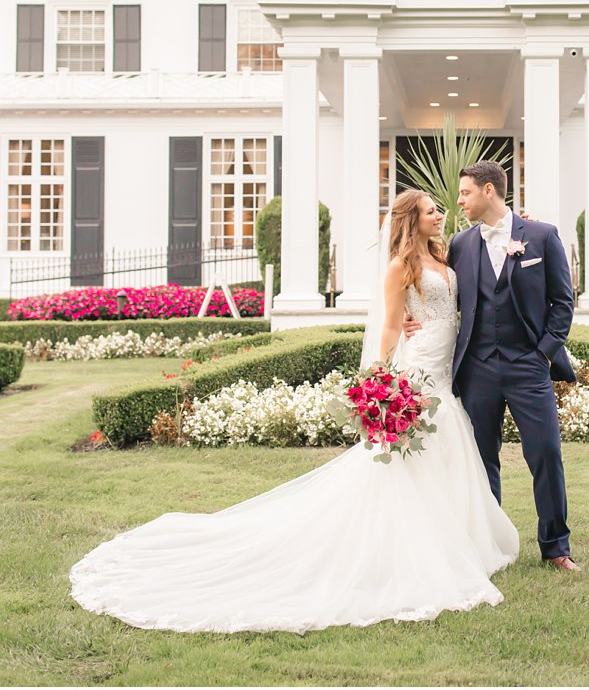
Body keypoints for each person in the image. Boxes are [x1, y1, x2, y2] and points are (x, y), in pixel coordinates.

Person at [68, 189, 518, 633]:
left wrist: (517, 223)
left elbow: (478, 267)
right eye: (429, 211)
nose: (439, 214)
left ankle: (456, 543)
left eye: (439, 209)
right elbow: (387, 325)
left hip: (445, 371)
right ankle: (415, 553)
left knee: (446, 455)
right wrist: (380, 383)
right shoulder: (401, 266)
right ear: (409, 220)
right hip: (418, 368)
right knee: (412, 463)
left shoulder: (443, 254)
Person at [439, 160, 580, 570]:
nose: (459, 199)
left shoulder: (541, 235)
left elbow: (562, 302)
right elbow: (443, 295)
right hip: (477, 367)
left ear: (488, 191)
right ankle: (487, 545)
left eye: (465, 192)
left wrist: (543, 354)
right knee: (482, 459)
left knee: (546, 452)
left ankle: (556, 547)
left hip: (527, 366)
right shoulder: (460, 244)